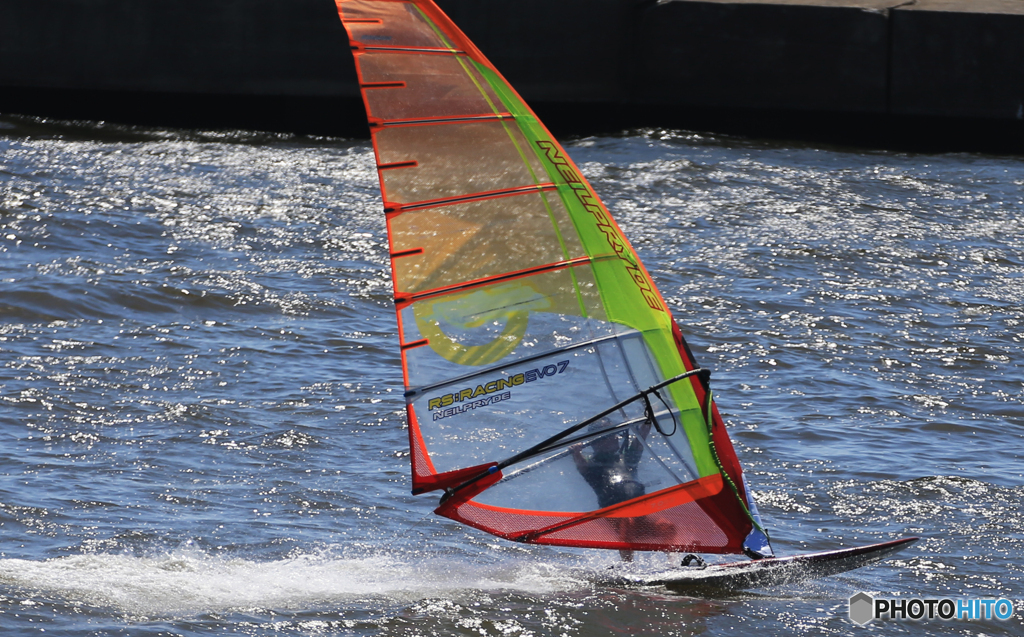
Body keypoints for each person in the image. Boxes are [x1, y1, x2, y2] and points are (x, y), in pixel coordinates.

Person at [572, 419, 648, 561]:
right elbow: (582, 466)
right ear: (596, 443)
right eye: (609, 435)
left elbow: (641, 438)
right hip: (613, 514)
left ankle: (673, 564)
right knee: (628, 522)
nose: (615, 437)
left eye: (614, 433)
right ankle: (628, 567)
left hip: (639, 512)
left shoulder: (628, 457)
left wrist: (648, 419)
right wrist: (576, 452)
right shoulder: (593, 466)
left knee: (667, 526)